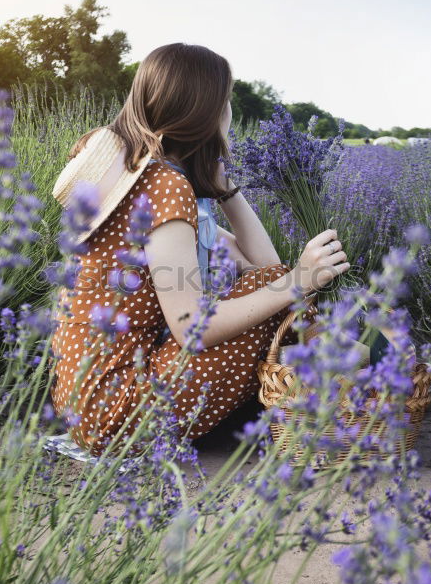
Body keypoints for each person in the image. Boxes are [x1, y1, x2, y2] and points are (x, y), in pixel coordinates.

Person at [49, 43, 352, 458]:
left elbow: (262, 267)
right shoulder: (165, 185)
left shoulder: (143, 178)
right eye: (225, 102)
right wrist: (300, 281)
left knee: (271, 287)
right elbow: (194, 326)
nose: (229, 113)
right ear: (206, 112)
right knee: (279, 292)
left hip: (84, 405)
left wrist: (223, 186)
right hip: (122, 413)